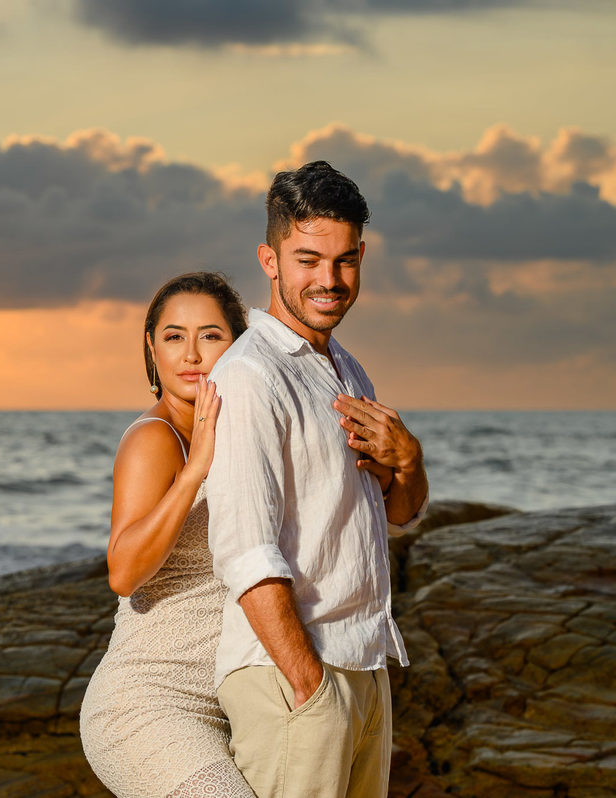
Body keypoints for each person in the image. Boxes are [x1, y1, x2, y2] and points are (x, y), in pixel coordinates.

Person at [206, 161, 429, 798]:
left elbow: (398, 511)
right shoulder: (252, 375)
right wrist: (311, 687)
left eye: (345, 261)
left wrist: (409, 461)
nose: (328, 281)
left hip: (364, 665)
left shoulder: (348, 370)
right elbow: (246, 551)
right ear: (270, 260)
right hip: (297, 677)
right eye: (308, 259)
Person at [81, 272, 257, 798]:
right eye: (174, 337)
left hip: (229, 706)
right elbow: (124, 571)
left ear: (238, 346)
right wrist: (194, 470)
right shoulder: (154, 439)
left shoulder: (242, 435)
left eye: (210, 335)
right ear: (151, 349)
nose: (192, 354)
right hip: (148, 704)